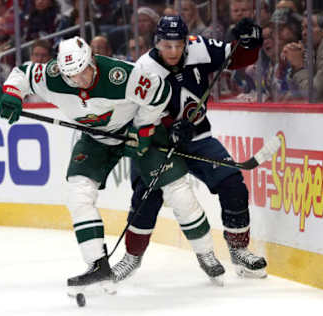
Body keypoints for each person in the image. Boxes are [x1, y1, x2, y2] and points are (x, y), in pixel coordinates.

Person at [0, 36, 222, 286]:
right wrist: (12, 95)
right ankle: (97, 264)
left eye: (84, 72)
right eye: (72, 77)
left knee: (178, 191)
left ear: (92, 60)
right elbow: (23, 73)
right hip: (95, 139)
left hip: (133, 130)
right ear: (61, 70)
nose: (80, 81)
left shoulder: (121, 75)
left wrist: (145, 126)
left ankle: (206, 253)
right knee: (78, 192)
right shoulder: (52, 76)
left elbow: (160, 93)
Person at [111, 15, 267, 282]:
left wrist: (250, 43)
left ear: (185, 41)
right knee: (147, 197)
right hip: (157, 145)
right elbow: (136, 120)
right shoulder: (144, 70)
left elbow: (236, 57)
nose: (173, 51)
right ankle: (132, 257)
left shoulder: (199, 47)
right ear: (157, 42)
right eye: (167, 46)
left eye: (178, 45)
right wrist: (166, 127)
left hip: (198, 137)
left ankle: (239, 250)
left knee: (232, 182)